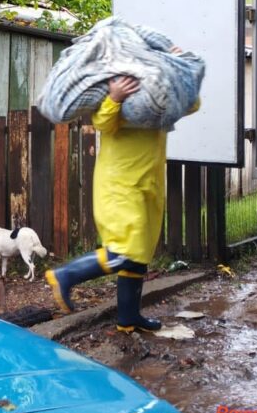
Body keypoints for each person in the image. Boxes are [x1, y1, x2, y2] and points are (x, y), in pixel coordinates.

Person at [46, 47, 196, 332]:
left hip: (148, 183)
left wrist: (181, 67)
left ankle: (128, 317)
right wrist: (115, 97)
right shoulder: (119, 88)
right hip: (120, 185)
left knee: (140, 254)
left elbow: (192, 104)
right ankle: (65, 275)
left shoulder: (158, 95)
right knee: (126, 250)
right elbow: (102, 123)